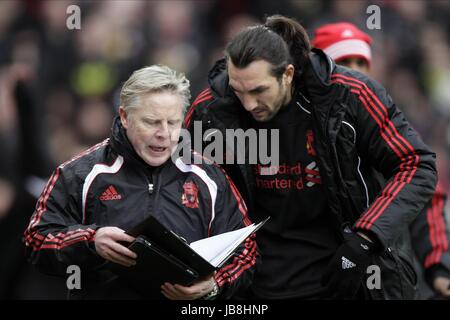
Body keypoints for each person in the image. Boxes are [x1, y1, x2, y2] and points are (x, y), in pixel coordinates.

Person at [185, 15, 437, 299]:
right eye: (238, 90)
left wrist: (365, 238)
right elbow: (176, 177)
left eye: (259, 91)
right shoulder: (212, 110)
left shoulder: (348, 95)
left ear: (288, 74)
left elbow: (417, 164)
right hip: (254, 285)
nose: (248, 103)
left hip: (349, 277)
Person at [24, 64, 259, 300]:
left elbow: (248, 252)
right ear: (125, 117)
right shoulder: (78, 174)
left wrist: (215, 284)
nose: (164, 133)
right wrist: (91, 241)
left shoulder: (209, 176)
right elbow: (36, 240)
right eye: (152, 122)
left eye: (173, 122)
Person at [312, 22, 450, 299]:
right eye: (342, 61)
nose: (354, 69)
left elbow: (427, 199)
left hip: (383, 272)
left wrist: (439, 267)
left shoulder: (391, 124)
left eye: (360, 61)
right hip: (316, 273)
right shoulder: (302, 128)